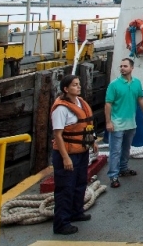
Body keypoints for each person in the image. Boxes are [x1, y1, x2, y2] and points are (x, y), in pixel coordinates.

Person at [50, 74, 96, 235]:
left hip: (81, 152)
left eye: (78, 84)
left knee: (80, 183)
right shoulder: (61, 109)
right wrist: (65, 157)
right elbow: (58, 135)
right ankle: (61, 224)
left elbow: (86, 127)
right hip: (68, 154)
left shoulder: (81, 104)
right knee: (65, 188)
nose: (79, 87)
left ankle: (76, 212)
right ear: (66, 89)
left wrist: (93, 142)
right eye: (75, 85)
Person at [105, 58, 143, 188]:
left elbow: (140, 98)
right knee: (115, 150)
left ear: (132, 68)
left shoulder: (137, 83)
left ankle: (123, 169)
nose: (122, 68)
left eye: (125, 66)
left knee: (126, 149)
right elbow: (108, 104)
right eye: (121, 66)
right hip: (117, 123)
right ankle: (113, 175)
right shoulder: (114, 85)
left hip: (131, 123)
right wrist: (108, 122)